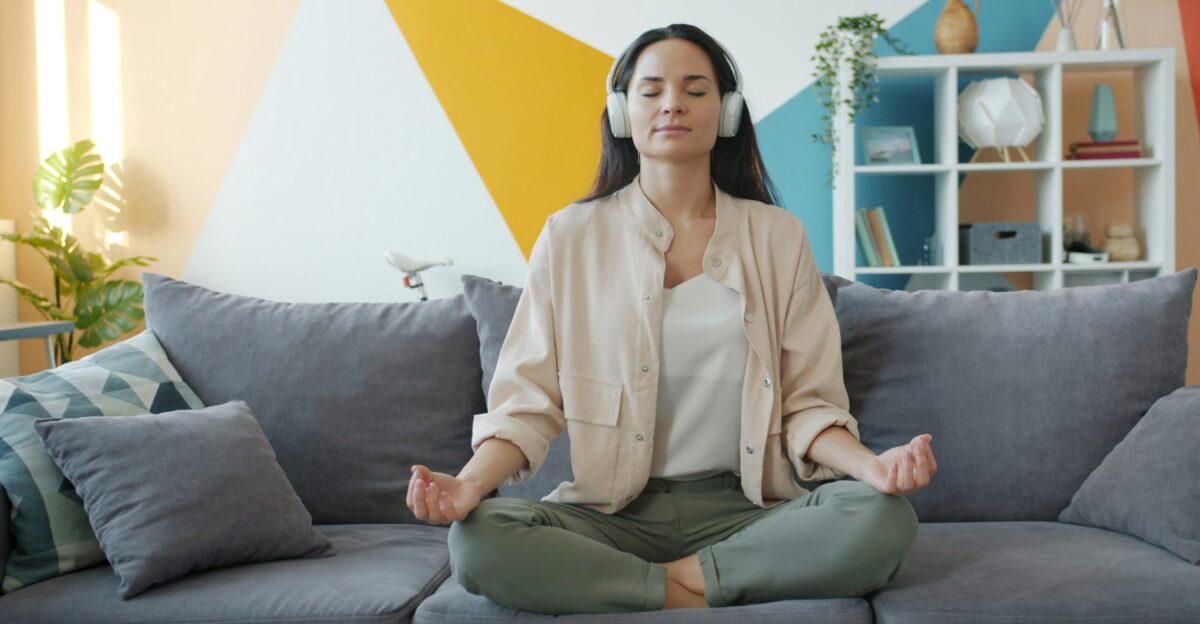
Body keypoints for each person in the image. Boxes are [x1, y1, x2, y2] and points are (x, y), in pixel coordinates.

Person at [406, 23, 937, 615]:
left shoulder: (777, 237)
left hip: (746, 512)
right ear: (622, 111)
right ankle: (704, 589)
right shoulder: (570, 237)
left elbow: (809, 407)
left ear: (727, 111)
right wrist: (470, 486)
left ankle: (641, 586)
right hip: (612, 516)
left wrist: (874, 468)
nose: (673, 104)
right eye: (651, 89)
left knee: (881, 517)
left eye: (695, 89)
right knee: (479, 539)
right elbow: (527, 404)